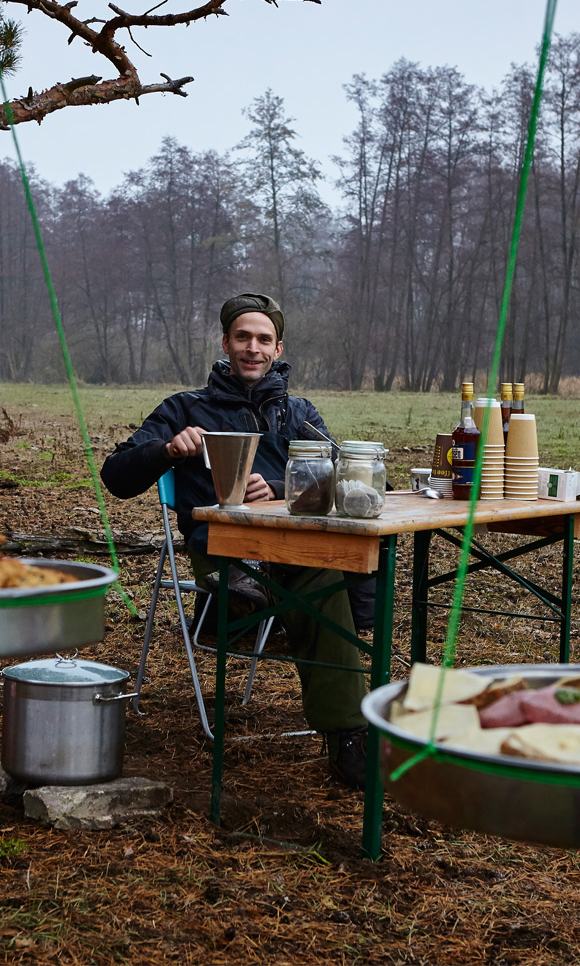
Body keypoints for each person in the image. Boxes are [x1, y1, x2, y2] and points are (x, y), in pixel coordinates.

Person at [101, 292, 369, 788]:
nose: (252, 347)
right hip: (223, 553)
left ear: (278, 347)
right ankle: (347, 728)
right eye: (242, 337)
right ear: (225, 343)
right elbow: (116, 477)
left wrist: (284, 488)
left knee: (333, 576)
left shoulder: (298, 414)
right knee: (321, 587)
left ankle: (345, 731)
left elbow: (348, 478)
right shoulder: (185, 408)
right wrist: (167, 449)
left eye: (263, 339)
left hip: (294, 548)